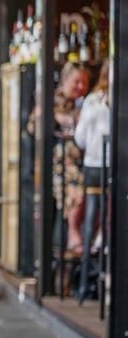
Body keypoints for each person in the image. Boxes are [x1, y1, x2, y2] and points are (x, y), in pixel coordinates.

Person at [28, 62, 90, 255]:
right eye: (76, 81)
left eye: (84, 83)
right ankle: (71, 239)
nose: (80, 87)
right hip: (57, 166)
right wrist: (56, 118)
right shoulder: (51, 99)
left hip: (80, 163)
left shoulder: (85, 103)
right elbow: (32, 127)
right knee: (72, 195)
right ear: (65, 80)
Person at [74, 59, 110, 301]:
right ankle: (96, 274)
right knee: (103, 218)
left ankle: (89, 278)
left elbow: (80, 138)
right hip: (106, 166)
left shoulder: (94, 102)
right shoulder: (100, 102)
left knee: (94, 218)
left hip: (96, 165)